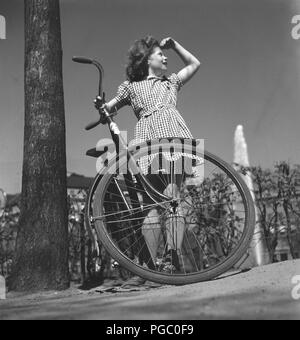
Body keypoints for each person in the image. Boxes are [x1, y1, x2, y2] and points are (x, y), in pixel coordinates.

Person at [94, 35, 201, 273]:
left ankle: (173, 262)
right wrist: (102, 107)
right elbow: (108, 109)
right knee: (151, 206)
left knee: (172, 197)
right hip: (148, 141)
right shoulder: (130, 88)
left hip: (174, 136)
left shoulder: (170, 82)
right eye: (160, 53)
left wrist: (175, 46)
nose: (165, 57)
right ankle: (148, 269)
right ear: (145, 59)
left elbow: (194, 64)